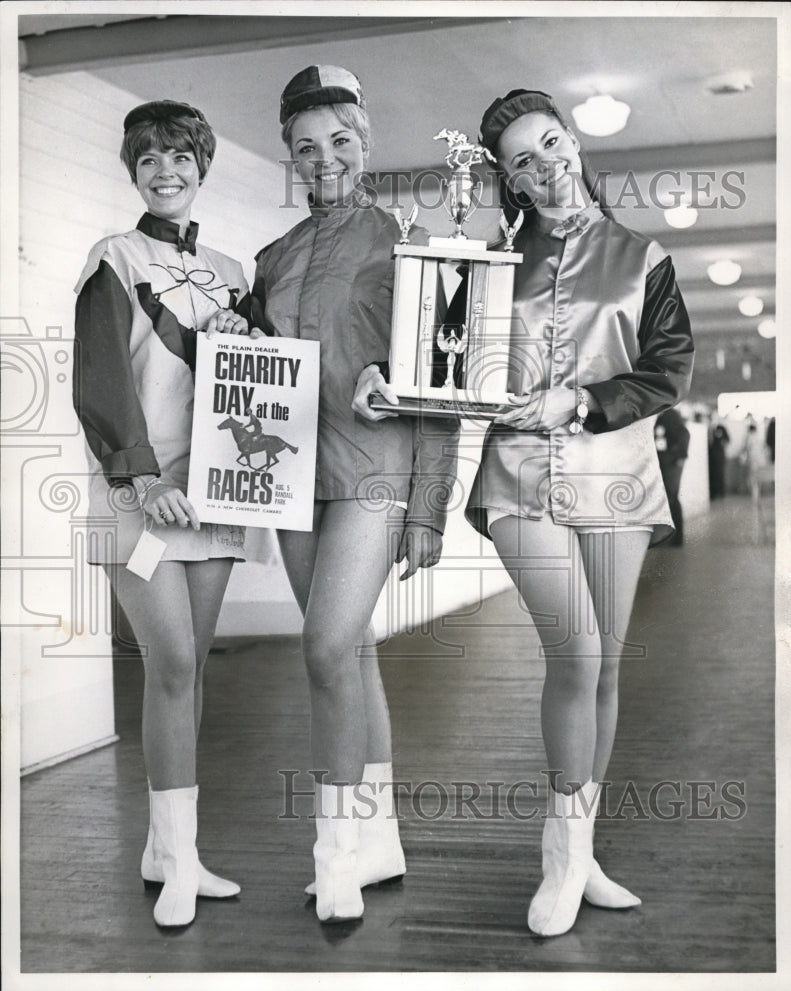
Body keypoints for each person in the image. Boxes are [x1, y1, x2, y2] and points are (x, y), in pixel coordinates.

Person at [355, 88, 693, 938]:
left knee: (605, 669)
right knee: (574, 654)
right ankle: (556, 858)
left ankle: (582, 857)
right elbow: (439, 362)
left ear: (572, 141)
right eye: (522, 162)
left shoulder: (640, 256)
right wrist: (386, 379)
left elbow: (667, 370)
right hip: (514, 480)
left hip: (616, 474)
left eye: (550, 145)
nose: (545, 168)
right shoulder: (487, 261)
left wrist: (576, 406)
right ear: (506, 178)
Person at [250, 66, 458, 923]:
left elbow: (442, 380)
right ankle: (378, 839)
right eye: (306, 147)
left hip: (374, 468)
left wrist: (427, 506)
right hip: (294, 477)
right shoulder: (272, 258)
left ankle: (332, 851)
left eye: (340, 141)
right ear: (291, 158)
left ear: (365, 144)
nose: (324, 157)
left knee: (326, 650)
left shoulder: (408, 240)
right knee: (353, 654)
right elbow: (256, 373)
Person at [73, 100, 252, 928]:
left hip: (213, 498)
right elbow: (102, 378)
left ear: (202, 165)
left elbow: (247, 387)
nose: (165, 170)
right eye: (148, 159)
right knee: (171, 664)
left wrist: (243, 339)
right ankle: (176, 862)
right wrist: (142, 481)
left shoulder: (231, 270)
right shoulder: (114, 256)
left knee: (193, 670)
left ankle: (169, 847)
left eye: (179, 155)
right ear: (132, 171)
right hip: (137, 496)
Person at [654, 407, 690, 546]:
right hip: (665, 463)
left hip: (670, 465)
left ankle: (675, 539)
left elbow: (684, 435)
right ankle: (671, 538)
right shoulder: (661, 416)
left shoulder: (669, 415)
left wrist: (679, 456)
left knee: (671, 498)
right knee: (668, 499)